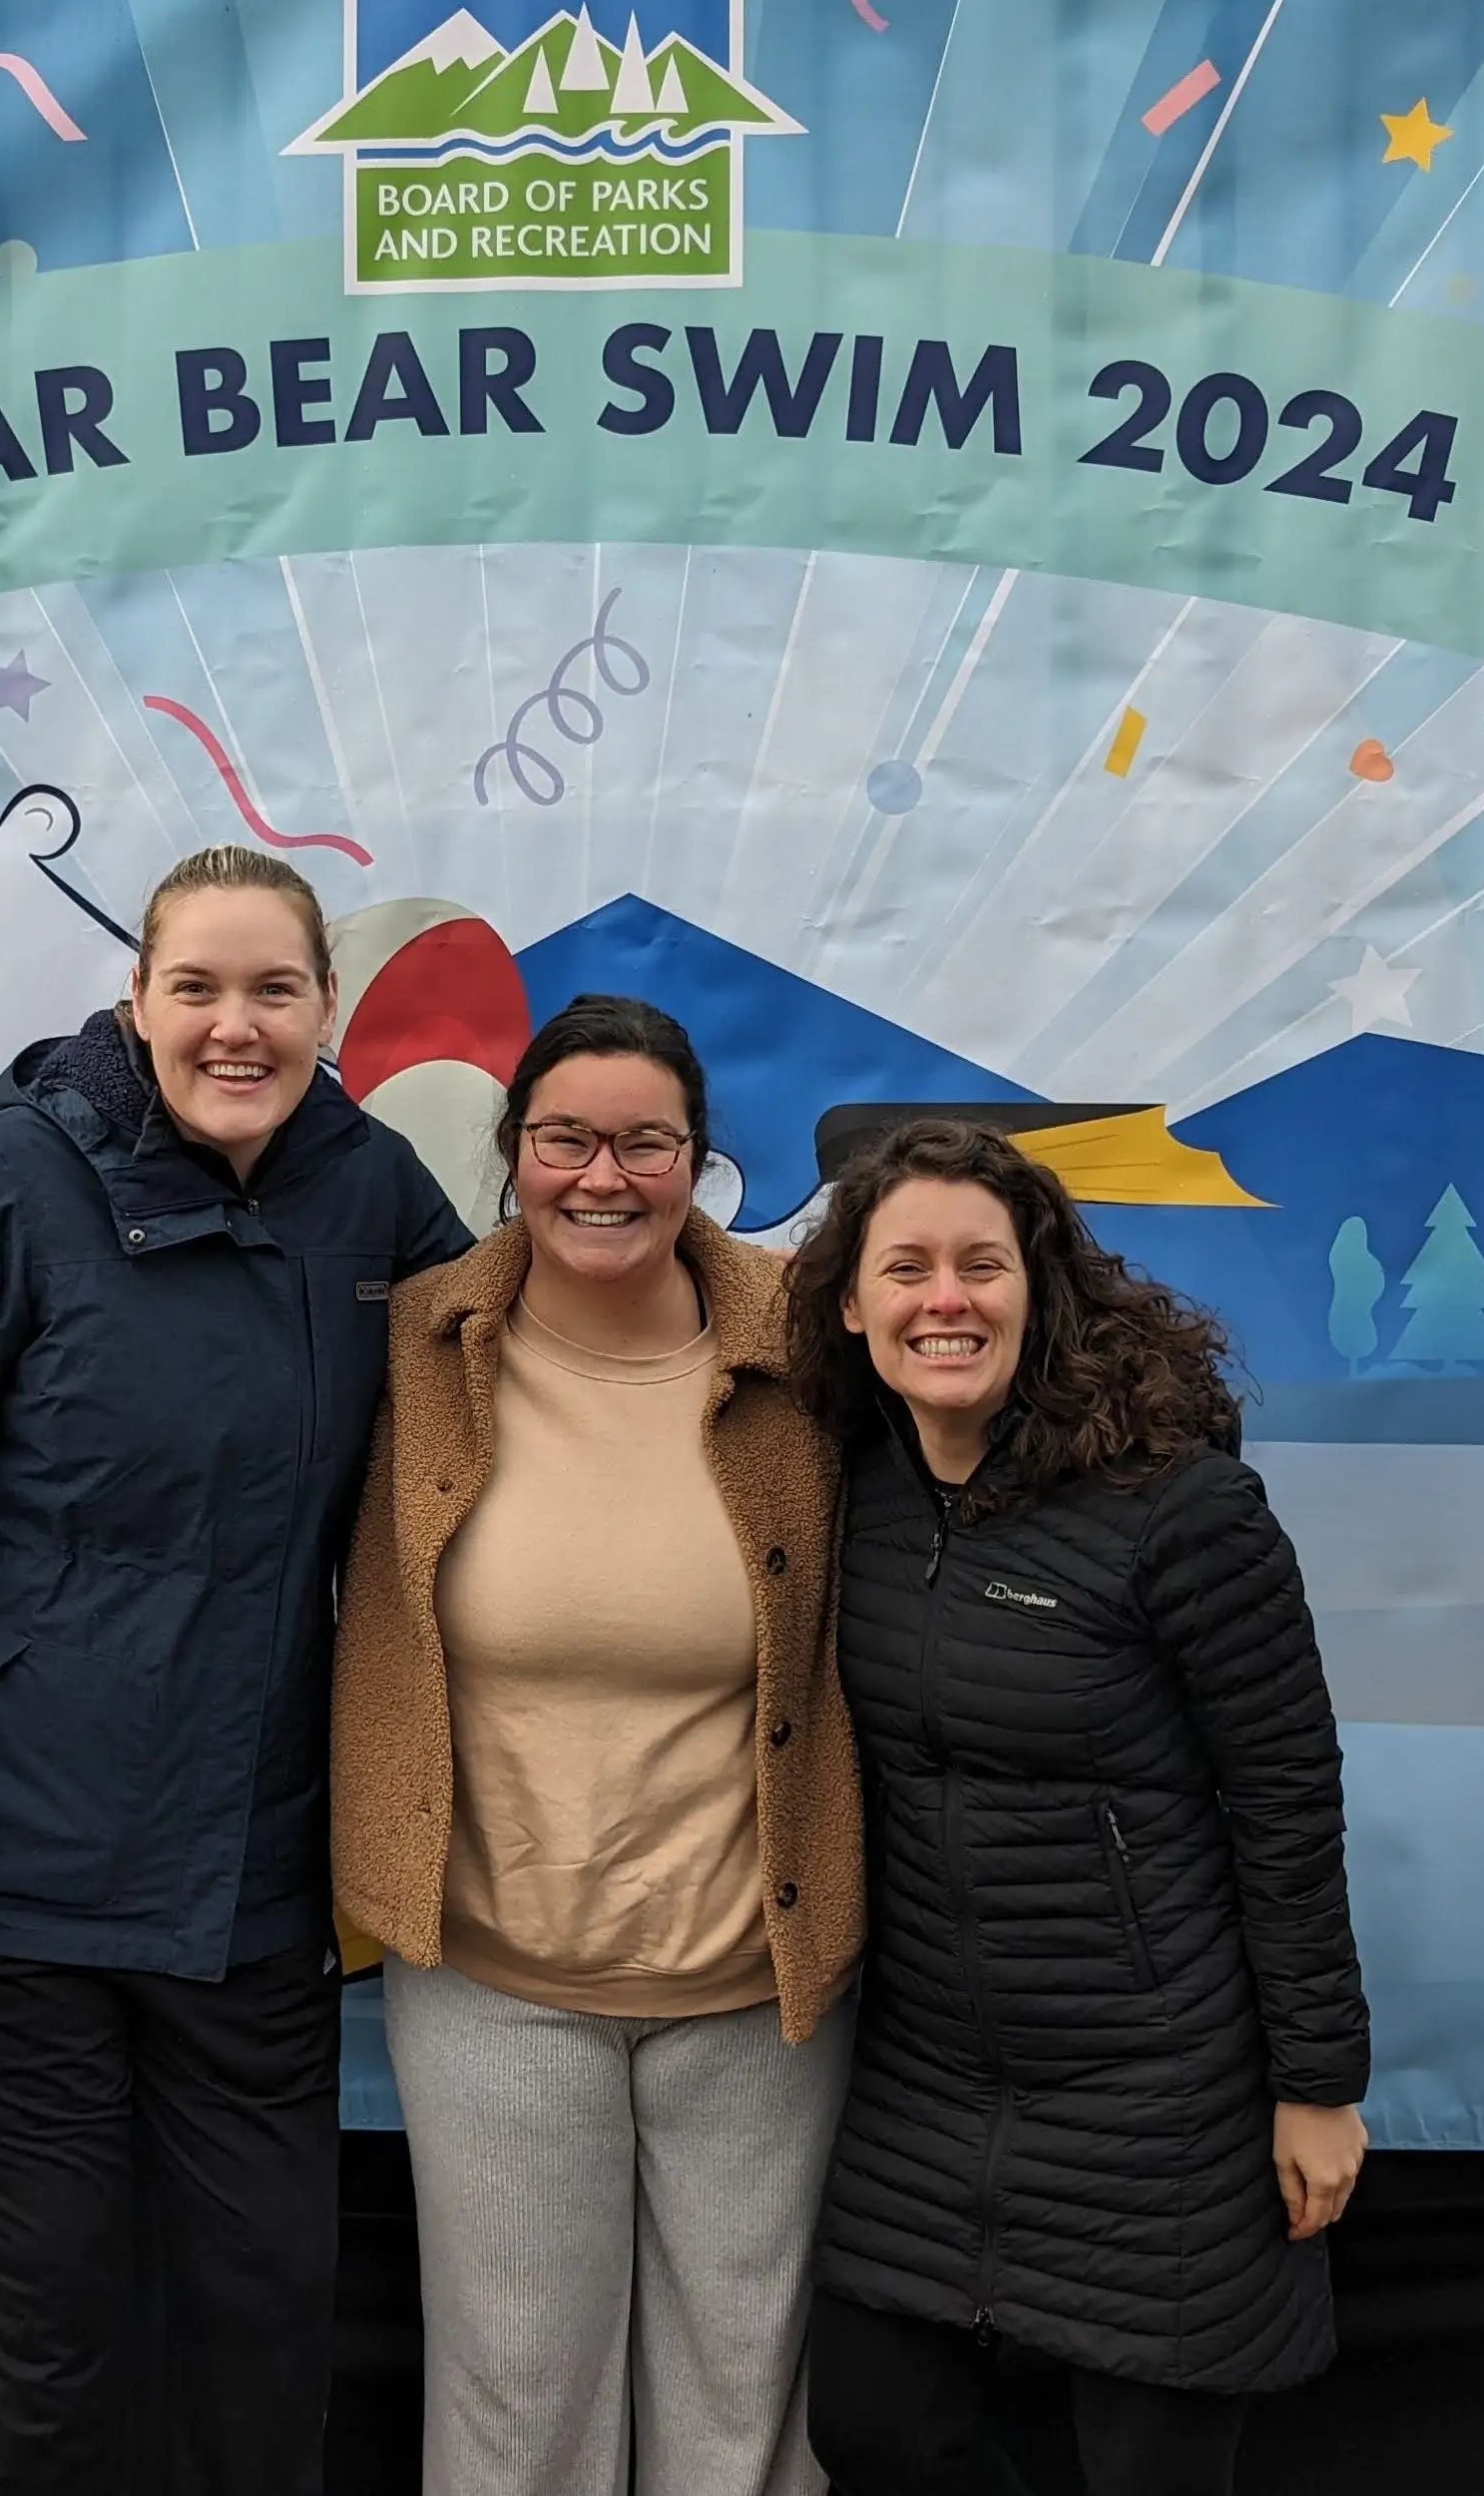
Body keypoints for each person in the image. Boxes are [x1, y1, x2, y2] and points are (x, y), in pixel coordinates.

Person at [0, 844, 475, 2496]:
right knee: (43, 2342)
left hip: (251, 1891)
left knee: (260, 2319)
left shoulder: (371, 1188)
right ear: (136, 1003)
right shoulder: (9, 1182)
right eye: (198, 988)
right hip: (1, 1890)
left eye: (273, 991)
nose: (234, 1027)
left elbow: (544, 1347)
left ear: (326, 1011)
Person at [780, 1119, 1367, 2496]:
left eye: (982, 1266)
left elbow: (1287, 1801)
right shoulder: (841, 1491)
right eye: (906, 1267)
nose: (945, 1300)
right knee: (871, 2427)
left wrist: (1318, 2084)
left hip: (1161, 2096)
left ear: (1040, 1291)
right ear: (850, 1303)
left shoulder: (1180, 1509)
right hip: (927, 2082)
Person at [332, 994, 862, 2496]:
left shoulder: (810, 1353)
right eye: (566, 1138)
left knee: (749, 2401)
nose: (603, 1176)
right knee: (515, 2409)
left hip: (761, 1985)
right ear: (512, 1155)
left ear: (698, 1158)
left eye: (646, 1142)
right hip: (492, 1979)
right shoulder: (421, 1347)